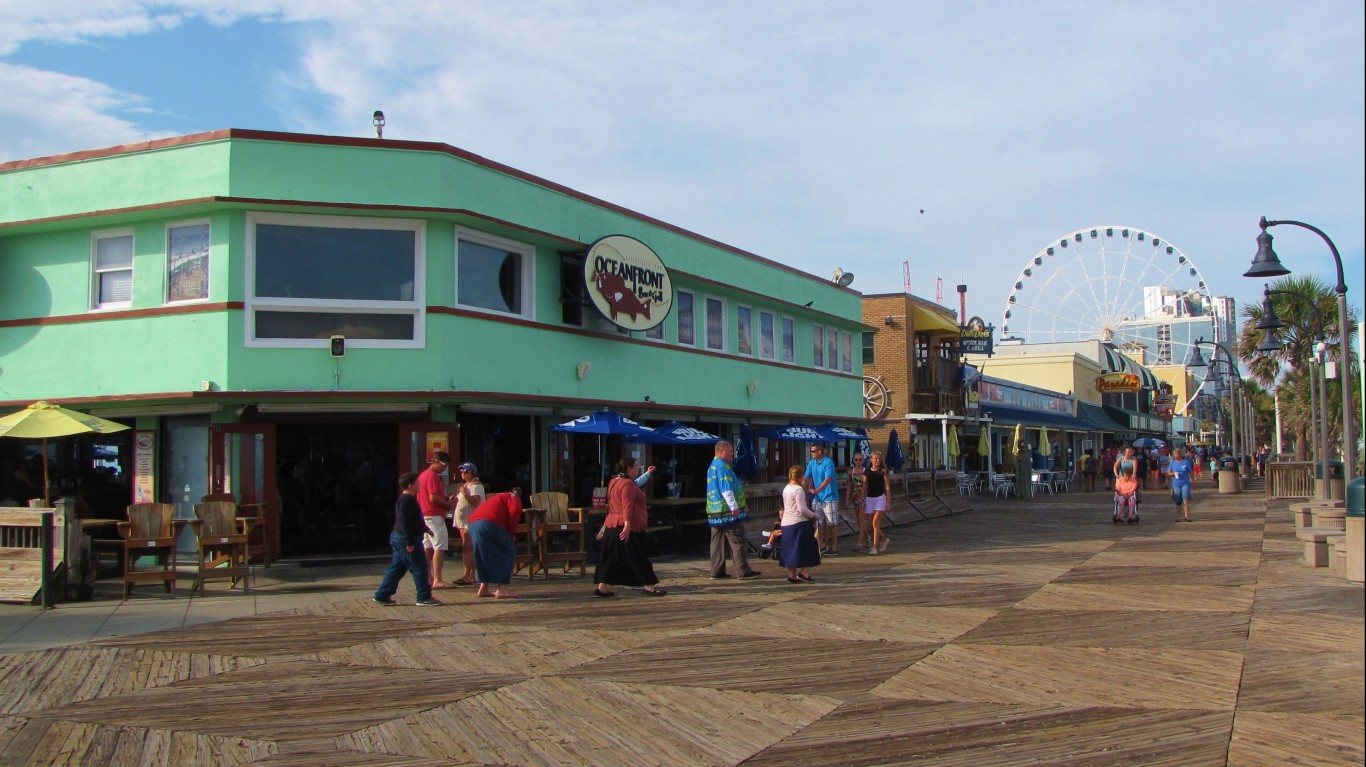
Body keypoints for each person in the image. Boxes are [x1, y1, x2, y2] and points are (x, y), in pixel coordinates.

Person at [592, 457, 667, 597]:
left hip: (613, 525)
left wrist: (604, 528)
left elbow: (613, 506)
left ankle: (602, 588)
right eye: (636, 466)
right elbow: (627, 506)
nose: (638, 468)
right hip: (626, 527)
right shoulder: (626, 484)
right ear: (628, 468)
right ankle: (649, 587)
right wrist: (627, 525)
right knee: (638, 556)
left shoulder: (614, 481)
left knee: (611, 557)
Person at [373, 472, 443, 606]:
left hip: (400, 537)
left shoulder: (407, 499)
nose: (419, 485)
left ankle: (382, 595)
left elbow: (415, 519)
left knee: (397, 568)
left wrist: (425, 529)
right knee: (420, 567)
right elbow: (404, 521)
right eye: (417, 483)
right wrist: (410, 541)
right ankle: (423, 597)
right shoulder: (407, 500)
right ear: (411, 485)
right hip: (406, 538)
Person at [704, 441, 760, 580]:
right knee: (738, 540)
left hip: (714, 510)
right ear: (721, 451)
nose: (732, 455)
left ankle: (717, 571)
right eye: (730, 452)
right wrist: (735, 507)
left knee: (717, 542)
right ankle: (743, 571)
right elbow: (726, 490)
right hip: (727, 511)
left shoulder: (712, 466)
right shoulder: (722, 467)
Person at [466, 488, 524, 599]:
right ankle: (501, 590)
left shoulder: (497, 497)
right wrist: (511, 534)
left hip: (472, 523)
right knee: (508, 551)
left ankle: (483, 588)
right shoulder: (514, 497)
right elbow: (515, 510)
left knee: (482, 553)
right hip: (489, 522)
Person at [417, 451, 456, 590]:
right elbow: (433, 498)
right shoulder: (432, 476)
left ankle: (428, 576)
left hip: (424, 515)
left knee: (428, 546)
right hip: (433, 515)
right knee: (440, 545)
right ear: (437, 461)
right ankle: (438, 579)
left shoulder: (422, 476)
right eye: (444, 465)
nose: (444, 469)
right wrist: (448, 505)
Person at [780, 465, 821, 583]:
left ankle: (791, 575)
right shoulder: (799, 490)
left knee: (791, 549)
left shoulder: (786, 488)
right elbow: (802, 509)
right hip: (799, 522)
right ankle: (804, 573)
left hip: (787, 523)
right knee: (807, 547)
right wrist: (814, 515)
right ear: (801, 476)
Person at [449, 462, 485, 586]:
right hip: (463, 522)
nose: (463, 474)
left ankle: (466, 575)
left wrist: (465, 493)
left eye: (466, 471)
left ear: (472, 473)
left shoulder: (476, 486)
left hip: (470, 521)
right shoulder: (466, 485)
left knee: (467, 549)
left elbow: (475, 501)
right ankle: (471, 576)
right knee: (469, 548)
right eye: (462, 471)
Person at [804, 443, 840, 556]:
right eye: (811, 451)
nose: (811, 453)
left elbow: (828, 479)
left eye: (813, 451)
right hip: (818, 497)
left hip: (830, 496)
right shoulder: (811, 463)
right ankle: (822, 544)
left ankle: (834, 547)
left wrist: (817, 489)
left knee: (832, 522)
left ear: (820, 452)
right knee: (816, 520)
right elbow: (806, 477)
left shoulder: (828, 462)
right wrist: (802, 488)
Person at [864, 451, 890, 554]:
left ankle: (874, 546)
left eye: (879, 459)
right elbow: (865, 486)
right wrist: (861, 497)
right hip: (870, 498)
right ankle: (884, 539)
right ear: (871, 459)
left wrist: (888, 501)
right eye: (875, 458)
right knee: (871, 523)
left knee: (875, 522)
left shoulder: (883, 471)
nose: (878, 461)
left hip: (880, 497)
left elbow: (887, 487)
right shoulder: (867, 472)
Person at [1167, 447, 1196, 522]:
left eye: (1176, 454)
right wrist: (1173, 473)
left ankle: (1187, 515)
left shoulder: (1186, 462)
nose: (1175, 456)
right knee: (1178, 500)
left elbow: (1191, 472)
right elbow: (1168, 473)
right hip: (1176, 483)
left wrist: (1193, 481)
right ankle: (1178, 516)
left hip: (1185, 482)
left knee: (1186, 499)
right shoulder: (1172, 463)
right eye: (1174, 454)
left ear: (1180, 454)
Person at [847, 452, 868, 550]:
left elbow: (866, 484)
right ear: (853, 460)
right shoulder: (851, 471)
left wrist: (862, 496)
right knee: (859, 520)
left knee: (862, 519)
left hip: (864, 497)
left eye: (860, 459)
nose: (858, 461)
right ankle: (868, 538)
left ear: (863, 460)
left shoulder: (865, 471)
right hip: (855, 496)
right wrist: (847, 499)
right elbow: (849, 486)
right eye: (856, 459)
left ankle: (860, 542)